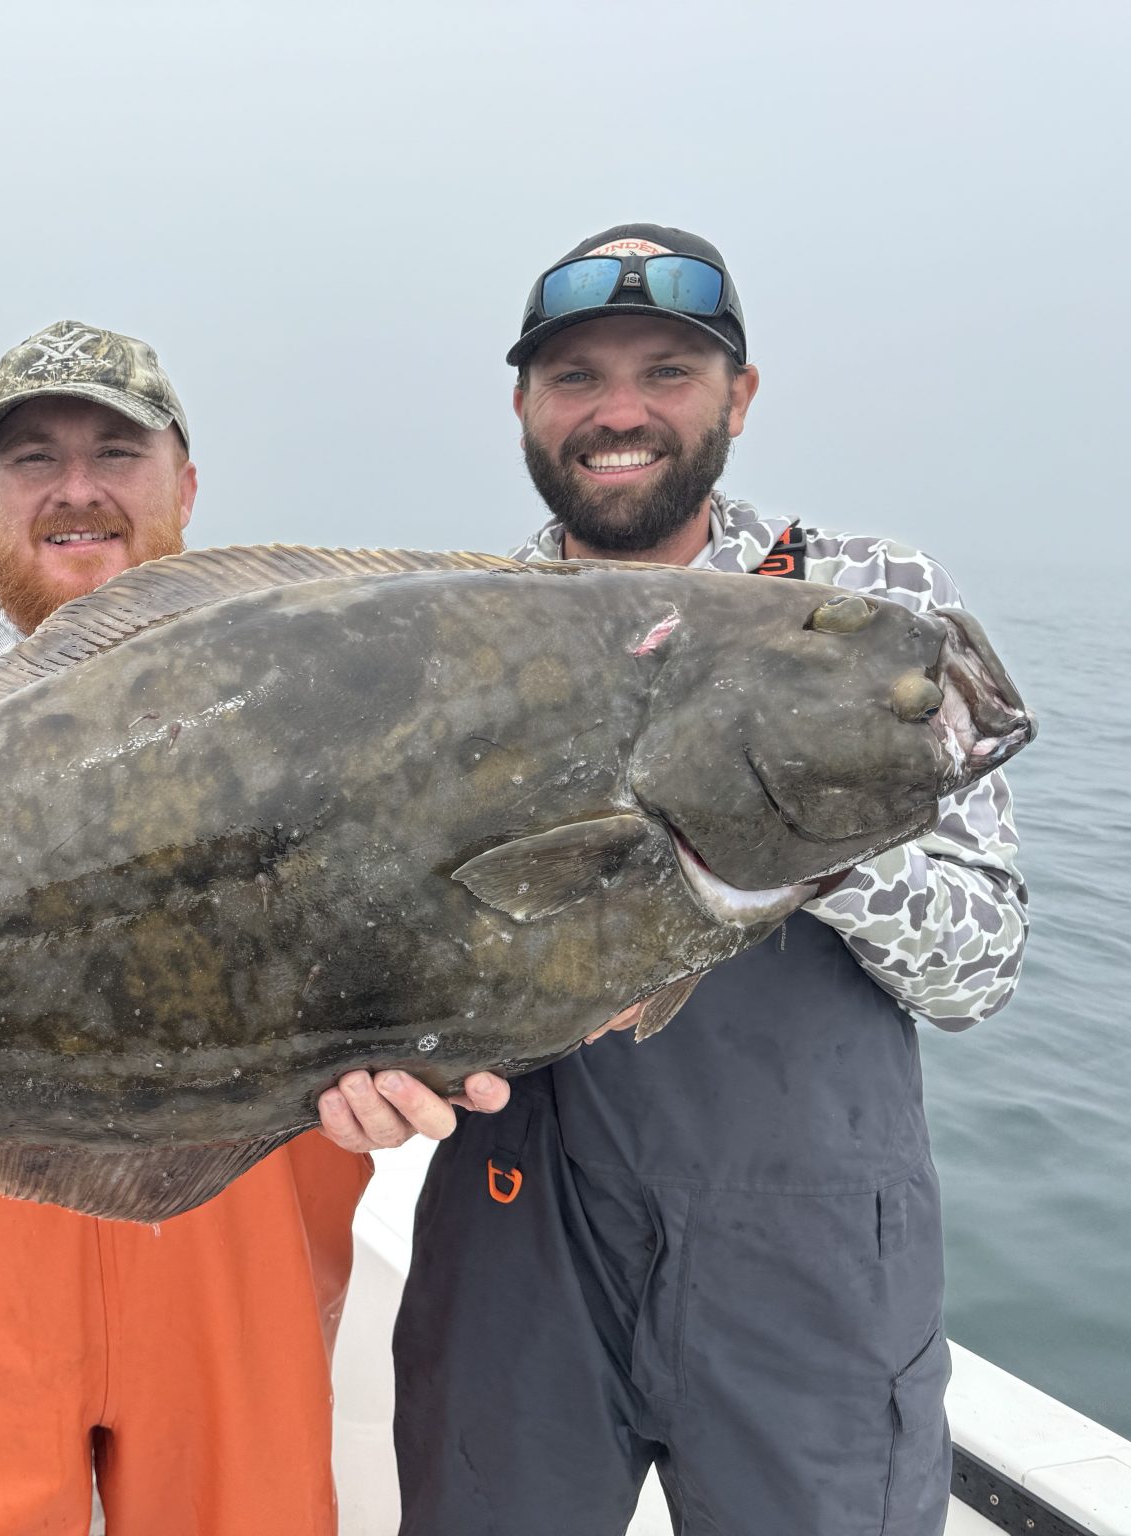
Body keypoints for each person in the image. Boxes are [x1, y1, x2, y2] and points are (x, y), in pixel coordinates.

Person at [0, 319, 508, 1536]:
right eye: (33, 459)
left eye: (114, 454)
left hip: (231, 1217)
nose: (75, 490)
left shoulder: (314, 680)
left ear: (183, 486)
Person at [386, 224, 1029, 1536]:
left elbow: (982, 966)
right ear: (524, 407)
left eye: (668, 371)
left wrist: (802, 820)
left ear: (739, 395)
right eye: (577, 378)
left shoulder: (875, 604)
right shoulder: (456, 632)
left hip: (811, 1265)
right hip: (517, 1245)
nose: (621, 412)